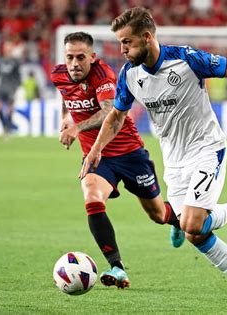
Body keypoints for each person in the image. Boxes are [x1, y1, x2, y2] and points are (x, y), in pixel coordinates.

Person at [81, 7, 227, 311]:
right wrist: (96, 149)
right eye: (120, 44)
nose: (123, 50)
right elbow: (116, 116)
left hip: (207, 148)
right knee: (194, 232)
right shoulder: (130, 75)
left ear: (147, 37)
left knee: (192, 222)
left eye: (127, 42)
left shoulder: (186, 59)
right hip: (175, 161)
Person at [50, 32, 181, 289]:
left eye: (80, 57)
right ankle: (117, 267)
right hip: (98, 158)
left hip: (130, 153)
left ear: (92, 57)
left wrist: (77, 128)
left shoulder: (103, 76)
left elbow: (109, 110)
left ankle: (175, 219)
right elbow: (66, 95)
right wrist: (67, 116)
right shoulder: (58, 75)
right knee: (91, 196)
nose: (74, 63)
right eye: (69, 57)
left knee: (157, 214)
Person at [0, 40, 21, 135]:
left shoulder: (15, 62)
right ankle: (4, 126)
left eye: (9, 47)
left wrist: (17, 88)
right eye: (6, 47)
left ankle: (8, 129)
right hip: (1, 86)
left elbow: (18, 76)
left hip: (11, 87)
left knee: (10, 108)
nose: (7, 49)